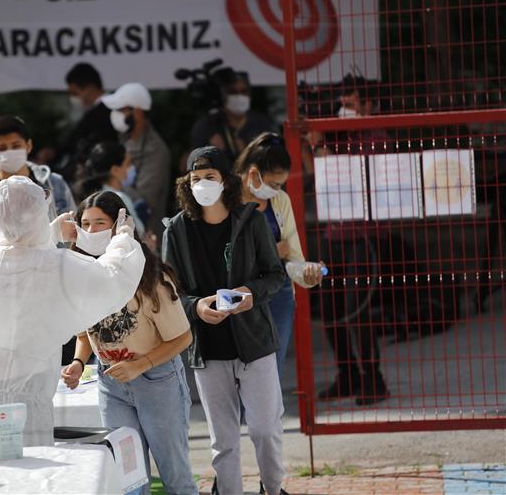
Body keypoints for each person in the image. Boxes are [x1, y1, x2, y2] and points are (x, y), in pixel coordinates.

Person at [0, 176, 145, 446]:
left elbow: (19, 247)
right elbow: (112, 278)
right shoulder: (53, 265)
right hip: (17, 402)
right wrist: (122, 240)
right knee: (22, 481)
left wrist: (51, 233)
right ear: (37, 214)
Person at [162, 146, 288, 495]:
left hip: (255, 341)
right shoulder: (176, 231)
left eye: (210, 177)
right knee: (224, 440)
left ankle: (273, 488)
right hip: (208, 348)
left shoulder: (251, 220)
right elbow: (171, 293)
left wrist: (250, 294)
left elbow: (275, 275)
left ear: (225, 182)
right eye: (196, 178)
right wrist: (197, 306)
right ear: (186, 184)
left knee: (265, 429)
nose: (202, 183)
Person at [61, 191, 196, 495]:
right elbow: (85, 334)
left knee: (175, 476)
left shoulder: (151, 278)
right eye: (86, 223)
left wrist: (141, 365)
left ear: (120, 227)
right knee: (129, 480)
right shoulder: (81, 274)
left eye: (100, 223)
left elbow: (183, 336)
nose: (92, 230)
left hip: (157, 379)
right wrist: (78, 362)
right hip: (111, 385)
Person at [315, 76, 391, 405]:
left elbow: (349, 176)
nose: (344, 110)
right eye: (342, 104)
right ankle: (347, 375)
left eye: (352, 104)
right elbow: (317, 175)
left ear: (370, 105)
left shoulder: (376, 138)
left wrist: (321, 146)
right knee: (330, 308)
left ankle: (373, 378)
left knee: (358, 309)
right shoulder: (338, 135)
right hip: (335, 234)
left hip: (365, 236)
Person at [235, 133, 325, 379]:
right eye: (274, 184)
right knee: (237, 372)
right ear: (253, 174)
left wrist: (308, 273)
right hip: (236, 293)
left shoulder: (280, 200)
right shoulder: (226, 199)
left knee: (270, 374)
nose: (277, 190)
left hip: (278, 295)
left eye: (280, 185)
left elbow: (292, 257)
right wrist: (273, 252)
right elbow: (225, 255)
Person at [0, 115, 76, 273]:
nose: (10, 152)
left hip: (54, 278)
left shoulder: (55, 184)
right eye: (2, 148)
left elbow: (75, 236)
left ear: (28, 145)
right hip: (6, 286)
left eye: (16, 145)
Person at [102, 82, 171, 239]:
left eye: (120, 110)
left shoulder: (155, 150)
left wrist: (111, 184)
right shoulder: (123, 140)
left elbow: (144, 201)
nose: (115, 114)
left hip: (146, 238)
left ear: (138, 112)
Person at [190, 69, 275, 163]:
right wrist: (208, 153)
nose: (239, 96)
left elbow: (274, 162)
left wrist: (247, 153)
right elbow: (190, 165)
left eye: (243, 91)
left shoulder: (263, 124)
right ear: (223, 95)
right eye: (233, 92)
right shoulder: (207, 125)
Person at [54, 62, 119, 180]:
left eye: (75, 93)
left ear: (89, 88)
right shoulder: (94, 112)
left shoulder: (106, 113)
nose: (73, 98)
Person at [74, 141, 146, 236]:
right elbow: (138, 234)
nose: (132, 168)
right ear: (115, 170)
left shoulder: (90, 197)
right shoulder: (119, 198)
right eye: (128, 164)